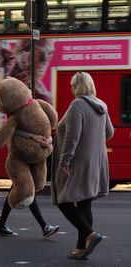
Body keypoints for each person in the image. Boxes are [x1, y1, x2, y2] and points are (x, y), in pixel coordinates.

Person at [51, 72, 114, 260]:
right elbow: (109, 132)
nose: (70, 89)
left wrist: (65, 160)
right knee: (85, 203)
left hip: (78, 161)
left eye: (72, 85)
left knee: (63, 200)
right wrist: (93, 141)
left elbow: (72, 136)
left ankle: (90, 233)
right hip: (97, 160)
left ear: (77, 87)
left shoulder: (77, 104)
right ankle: (81, 249)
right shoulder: (101, 105)